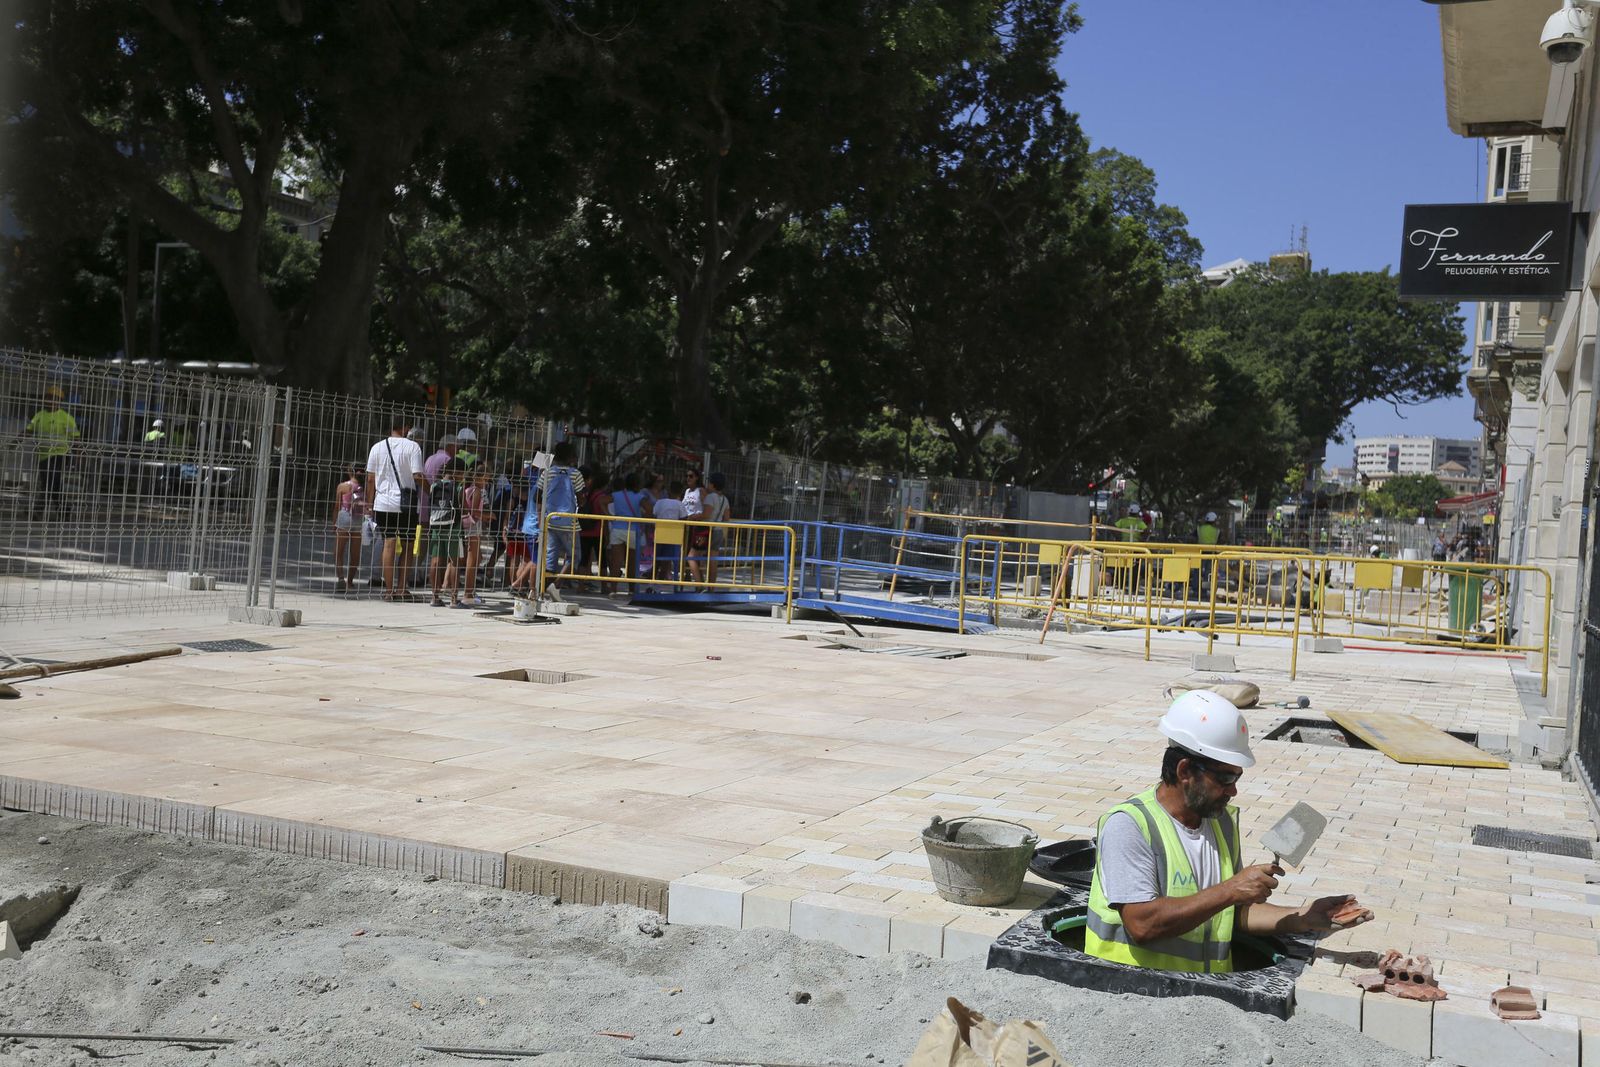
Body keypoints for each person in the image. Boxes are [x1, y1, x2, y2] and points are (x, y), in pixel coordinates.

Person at [1085, 692, 1367, 973]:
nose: (1233, 790)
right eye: (1225, 778)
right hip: (1133, 994)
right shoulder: (1130, 825)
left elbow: (1230, 915)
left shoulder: (1220, 822)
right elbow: (1143, 925)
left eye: (1237, 777)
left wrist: (1302, 918)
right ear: (1185, 771)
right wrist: (1232, 889)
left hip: (1205, 996)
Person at [365, 413, 425, 600]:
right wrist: (430, 489)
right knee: (407, 546)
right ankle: (401, 588)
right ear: (406, 427)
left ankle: (389, 590)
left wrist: (370, 503)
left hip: (383, 503)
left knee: (388, 543)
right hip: (406, 504)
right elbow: (417, 475)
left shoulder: (377, 447)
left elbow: (370, 478)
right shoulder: (413, 447)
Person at [535, 441, 586, 600]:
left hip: (550, 520)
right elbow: (581, 497)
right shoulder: (576, 474)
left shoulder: (547, 472)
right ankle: (556, 585)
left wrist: (540, 516)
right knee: (574, 556)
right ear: (571, 457)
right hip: (569, 523)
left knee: (550, 557)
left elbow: (537, 495)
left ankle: (544, 592)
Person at [27, 386, 79, 521]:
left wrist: (79, 455)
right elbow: (29, 430)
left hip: (60, 455)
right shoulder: (39, 415)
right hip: (43, 455)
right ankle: (65, 510)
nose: (49, 401)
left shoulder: (66, 418)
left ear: (59, 401)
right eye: (48, 397)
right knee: (52, 483)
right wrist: (15, 442)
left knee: (50, 482)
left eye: (53, 398)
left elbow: (76, 438)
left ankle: (38, 510)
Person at [426, 457, 465, 607]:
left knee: (435, 561)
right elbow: (463, 509)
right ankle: (454, 599)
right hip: (453, 528)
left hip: (436, 526)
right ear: (456, 472)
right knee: (454, 561)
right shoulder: (458, 488)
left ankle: (435, 597)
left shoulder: (434, 485)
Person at [449, 463, 488, 608]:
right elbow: (474, 513)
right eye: (486, 479)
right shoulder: (476, 490)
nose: (487, 483)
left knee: (472, 558)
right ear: (479, 477)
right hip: (473, 527)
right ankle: (468, 593)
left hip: (465, 526)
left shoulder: (466, 489)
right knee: (472, 560)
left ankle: (458, 589)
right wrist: (489, 516)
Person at [608, 471, 647, 596]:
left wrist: (609, 516)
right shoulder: (640, 496)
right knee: (632, 561)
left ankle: (613, 589)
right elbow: (650, 509)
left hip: (618, 528)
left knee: (616, 561)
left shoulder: (616, 495)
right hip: (634, 529)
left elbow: (602, 501)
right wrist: (645, 519)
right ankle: (631, 589)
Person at [332, 463, 366, 593]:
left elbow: (337, 506)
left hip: (345, 516)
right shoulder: (364, 487)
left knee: (338, 551)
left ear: (349, 471)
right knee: (355, 554)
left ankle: (341, 579)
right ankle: (350, 581)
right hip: (358, 519)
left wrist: (334, 523)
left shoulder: (342, 486)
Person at [651, 480, 688, 586]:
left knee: (657, 557)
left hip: (659, 531)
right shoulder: (680, 504)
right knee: (667, 560)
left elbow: (654, 514)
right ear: (681, 492)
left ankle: (653, 579)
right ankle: (661, 580)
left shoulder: (659, 502)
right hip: (673, 534)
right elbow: (684, 518)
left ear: (668, 490)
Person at [580, 470, 611, 591]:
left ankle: (581, 586)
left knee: (584, 559)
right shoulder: (602, 497)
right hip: (598, 531)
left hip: (585, 531)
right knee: (602, 560)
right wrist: (607, 535)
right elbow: (605, 517)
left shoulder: (588, 494)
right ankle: (604, 586)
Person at [699, 471, 732, 586]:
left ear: (713, 485)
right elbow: (727, 517)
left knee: (696, 557)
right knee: (713, 560)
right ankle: (711, 587)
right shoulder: (724, 499)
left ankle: (700, 583)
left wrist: (693, 517)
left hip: (707, 529)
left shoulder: (710, 497)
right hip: (718, 530)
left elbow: (706, 515)